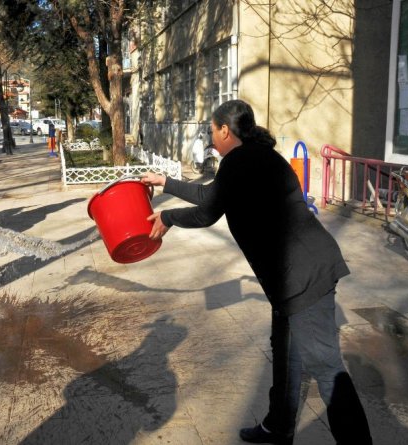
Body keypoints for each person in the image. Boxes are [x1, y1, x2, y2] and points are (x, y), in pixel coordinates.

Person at [141, 100, 372, 445]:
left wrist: (168, 217)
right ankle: (278, 427)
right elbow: (212, 194)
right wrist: (166, 182)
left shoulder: (240, 160)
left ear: (224, 130)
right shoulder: (258, 155)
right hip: (292, 276)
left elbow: (208, 210)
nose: (210, 138)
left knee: (326, 367)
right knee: (285, 353)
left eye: (211, 131)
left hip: (303, 277)